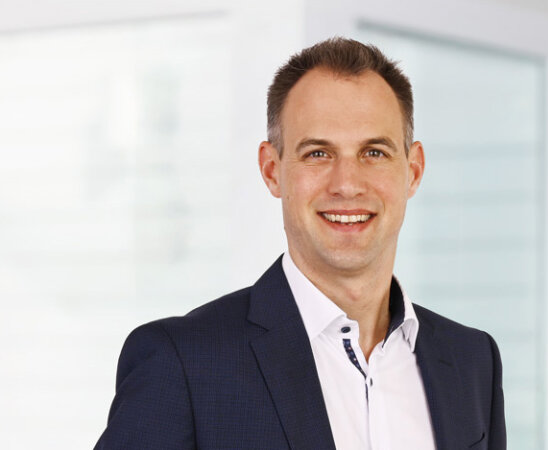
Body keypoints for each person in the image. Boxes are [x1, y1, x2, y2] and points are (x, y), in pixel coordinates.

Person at [95, 37, 506, 450]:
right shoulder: (183, 363)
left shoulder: (473, 362)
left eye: (374, 152)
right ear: (271, 170)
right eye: (318, 154)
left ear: (413, 171)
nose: (347, 184)